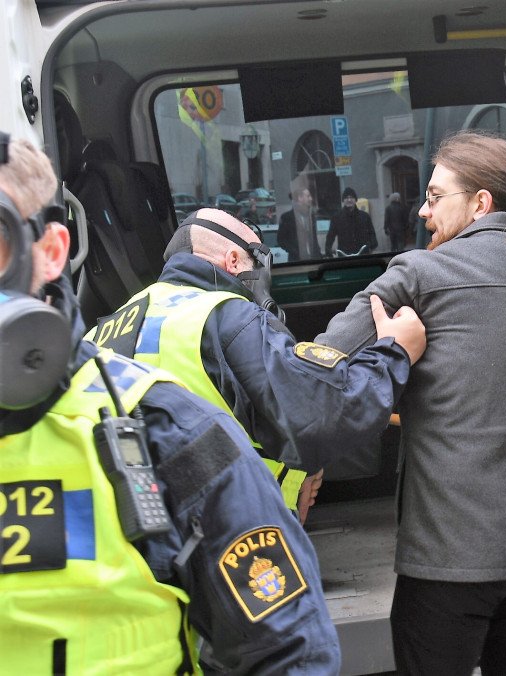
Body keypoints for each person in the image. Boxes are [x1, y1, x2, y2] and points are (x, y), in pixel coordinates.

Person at [0, 133, 341, 672]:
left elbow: (284, 651)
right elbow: (322, 411)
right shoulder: (226, 324)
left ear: (50, 253)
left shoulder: (167, 433)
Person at [316, 131, 506, 676]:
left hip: (447, 560)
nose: (422, 209)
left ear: (480, 202)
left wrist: (395, 366)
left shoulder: (419, 274)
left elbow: (322, 363)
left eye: (435, 197)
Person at [85, 207, 425, 523]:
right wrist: (394, 351)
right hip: (229, 526)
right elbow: (319, 415)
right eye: (257, 260)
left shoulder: (106, 328)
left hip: (134, 523)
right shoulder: (227, 315)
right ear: (233, 260)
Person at [326, 186, 378, 255]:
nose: (349, 200)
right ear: (343, 200)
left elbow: (372, 234)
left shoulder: (364, 216)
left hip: (363, 255)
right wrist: (328, 250)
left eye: (351, 197)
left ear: (355, 200)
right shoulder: (336, 218)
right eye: (346, 198)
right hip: (344, 255)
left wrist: (371, 245)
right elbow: (330, 236)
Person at [278, 187, 321, 261]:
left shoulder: (311, 216)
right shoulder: (287, 217)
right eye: (308, 196)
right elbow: (281, 240)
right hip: (296, 261)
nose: (311, 199)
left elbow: (314, 239)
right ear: (300, 198)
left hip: (314, 260)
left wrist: (319, 254)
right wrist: (295, 251)